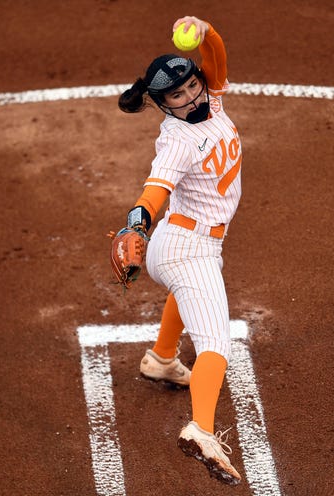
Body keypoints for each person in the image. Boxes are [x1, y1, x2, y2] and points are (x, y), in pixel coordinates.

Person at [116, 15, 243, 486]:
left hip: (181, 244)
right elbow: (156, 188)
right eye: (177, 95)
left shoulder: (211, 97)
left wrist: (206, 30)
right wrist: (135, 223)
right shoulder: (176, 140)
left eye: (191, 85)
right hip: (184, 246)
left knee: (187, 293)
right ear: (161, 104)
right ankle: (202, 430)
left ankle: (162, 359)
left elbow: (217, 61)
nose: (190, 97)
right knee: (215, 343)